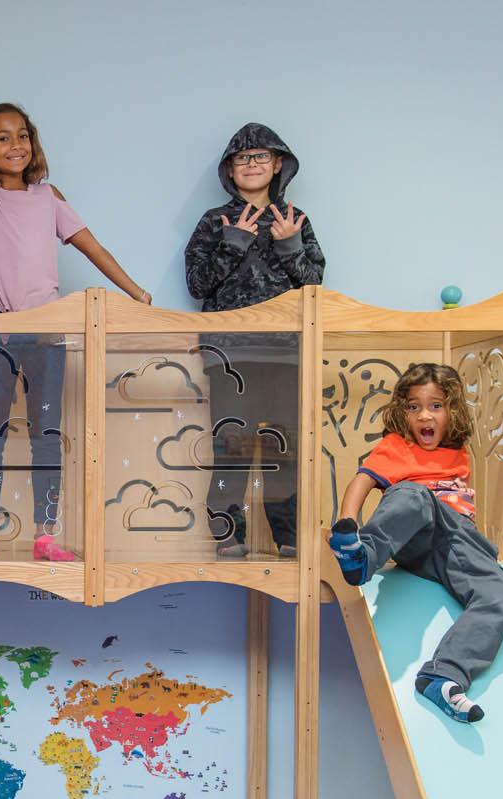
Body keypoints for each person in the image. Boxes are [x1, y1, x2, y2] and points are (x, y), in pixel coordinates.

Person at [0, 14, 153, 562]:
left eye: (23, 135)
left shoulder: (48, 196)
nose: (15, 143)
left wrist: (135, 292)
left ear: (32, 144)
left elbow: (92, 247)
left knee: (44, 436)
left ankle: (45, 535)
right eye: (2, 137)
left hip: (45, 336)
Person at [328, 363, 503, 724]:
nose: (424, 415)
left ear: (452, 411)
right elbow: (361, 483)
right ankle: (362, 559)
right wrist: (346, 527)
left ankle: (443, 676)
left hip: (455, 544)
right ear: (402, 412)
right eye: (413, 407)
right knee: (413, 495)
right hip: (414, 533)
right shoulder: (397, 446)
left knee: (497, 595)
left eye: (435, 406)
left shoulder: (457, 451)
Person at [184, 122, 324, 559]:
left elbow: (314, 285)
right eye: (243, 158)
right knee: (233, 444)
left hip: (287, 353)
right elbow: (197, 284)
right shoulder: (214, 221)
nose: (252, 164)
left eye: (261, 156)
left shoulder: (295, 221)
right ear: (230, 168)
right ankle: (228, 530)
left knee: (285, 446)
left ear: (278, 164)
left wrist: (289, 246)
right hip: (231, 353)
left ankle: (287, 534)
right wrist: (234, 243)